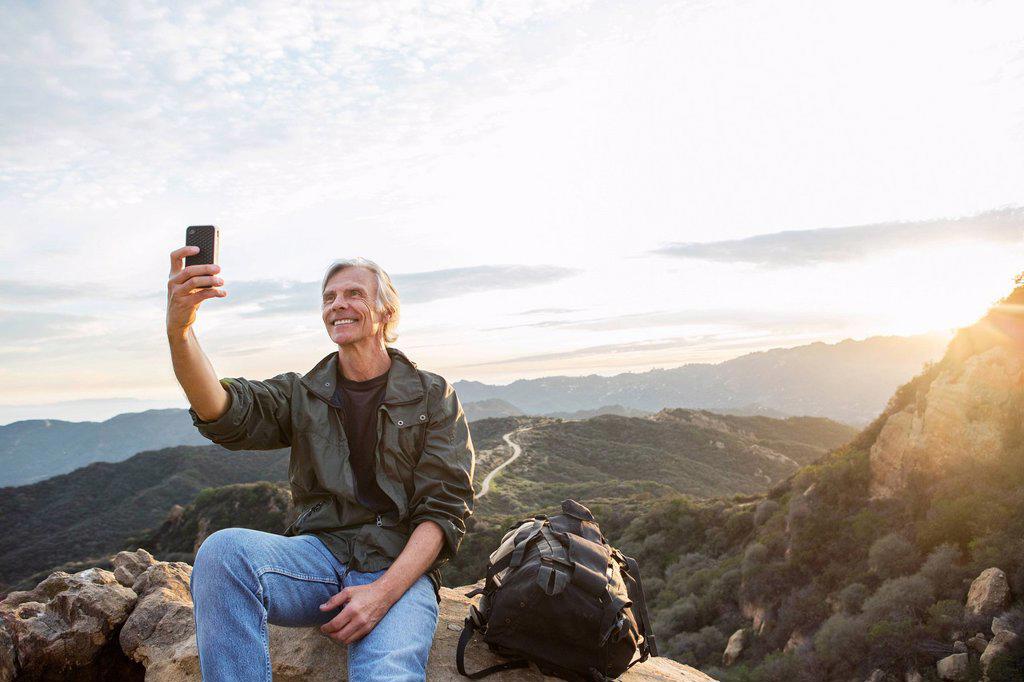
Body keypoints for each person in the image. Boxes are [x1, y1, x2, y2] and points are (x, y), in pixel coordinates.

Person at [165, 248, 476, 681]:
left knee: (386, 673)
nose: (338, 305)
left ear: (385, 311)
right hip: (318, 559)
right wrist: (181, 332)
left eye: (353, 294)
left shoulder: (432, 395)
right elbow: (221, 408)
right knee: (222, 552)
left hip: (396, 567)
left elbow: (445, 511)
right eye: (329, 298)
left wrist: (380, 595)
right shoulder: (303, 394)